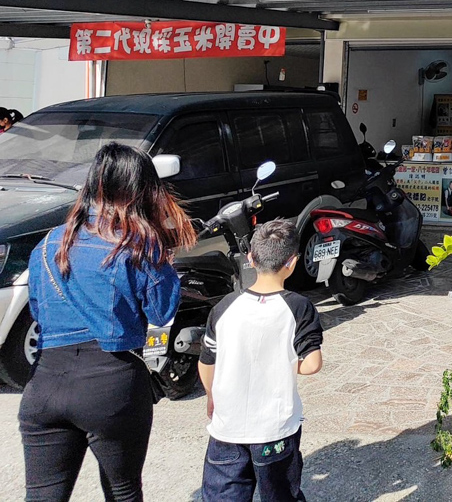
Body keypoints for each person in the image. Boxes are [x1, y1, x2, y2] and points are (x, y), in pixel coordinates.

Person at [19, 142, 196, 501]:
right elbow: (162, 313)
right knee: (123, 491)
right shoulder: (140, 245)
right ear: (141, 189)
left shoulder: (48, 243)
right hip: (111, 384)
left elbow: (38, 312)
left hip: (45, 383)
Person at [199, 219, 323, 502]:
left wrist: (211, 395)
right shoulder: (298, 307)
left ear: (251, 259)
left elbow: (207, 362)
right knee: (280, 495)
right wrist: (287, 363)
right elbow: (312, 363)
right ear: (292, 263)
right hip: (275, 429)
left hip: (226, 428)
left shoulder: (225, 307)